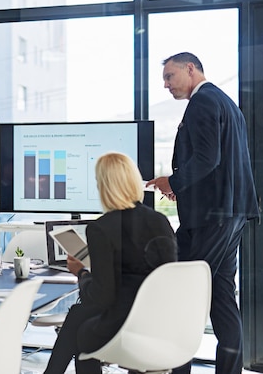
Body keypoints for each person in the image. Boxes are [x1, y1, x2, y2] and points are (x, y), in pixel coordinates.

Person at [147, 52, 259, 374]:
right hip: (232, 212)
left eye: (170, 76)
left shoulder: (202, 103)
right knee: (221, 295)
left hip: (212, 216)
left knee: (188, 290)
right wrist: (178, 185)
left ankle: (178, 369)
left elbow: (207, 158)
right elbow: (220, 162)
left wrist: (174, 181)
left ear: (191, 69)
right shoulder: (226, 104)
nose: (166, 84)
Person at [44, 152, 177, 374]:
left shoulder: (101, 228)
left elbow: (102, 297)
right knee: (79, 316)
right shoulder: (160, 221)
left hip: (128, 326)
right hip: (162, 324)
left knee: (81, 327)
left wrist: (82, 274)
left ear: (104, 186)